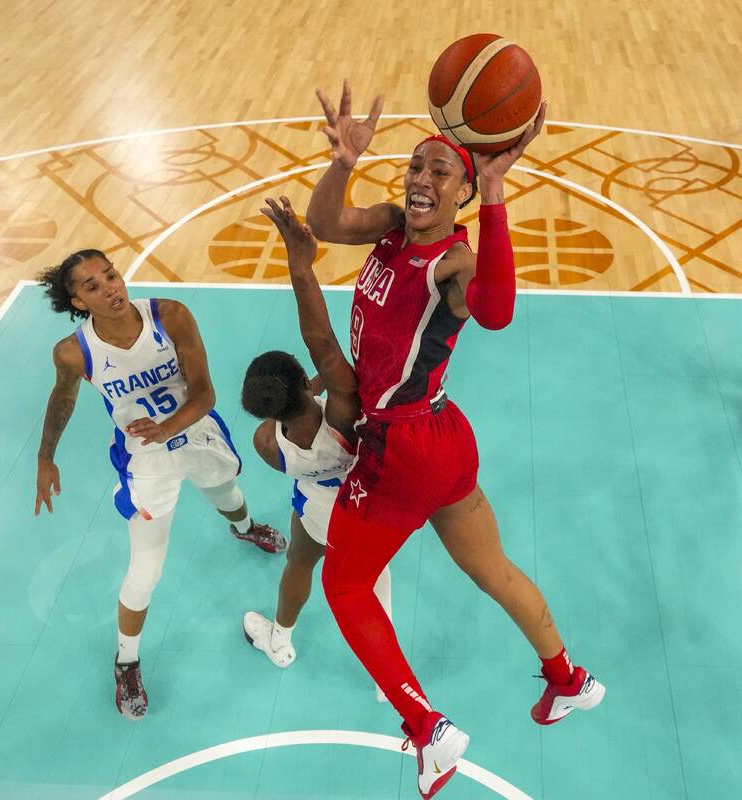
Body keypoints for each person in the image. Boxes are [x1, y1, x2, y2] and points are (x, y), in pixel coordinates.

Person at [296, 82, 604, 799]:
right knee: (491, 567)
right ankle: (567, 678)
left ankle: (428, 730)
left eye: (441, 171)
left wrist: (496, 193)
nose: (422, 178)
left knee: (344, 585)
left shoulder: (454, 264)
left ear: (462, 193)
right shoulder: (391, 227)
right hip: (442, 436)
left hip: (402, 449)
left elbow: (496, 313)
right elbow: (323, 222)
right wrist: (343, 162)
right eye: (415, 165)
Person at [34, 248, 286, 720]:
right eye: (92, 286)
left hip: (196, 430)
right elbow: (62, 397)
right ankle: (126, 662)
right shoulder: (73, 352)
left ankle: (245, 528)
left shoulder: (169, 316)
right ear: (79, 301)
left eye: (110, 275)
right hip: (144, 459)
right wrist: (45, 456)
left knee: (228, 496)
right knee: (145, 570)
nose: (110, 288)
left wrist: (168, 427)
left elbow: (205, 393)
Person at [236, 215, 390, 697]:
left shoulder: (266, 443)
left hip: (317, 509)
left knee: (300, 565)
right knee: (374, 587)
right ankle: (386, 680)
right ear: (306, 382)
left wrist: (305, 389)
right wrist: (301, 268)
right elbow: (324, 346)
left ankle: (279, 640)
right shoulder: (342, 410)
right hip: (367, 503)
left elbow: (288, 410)